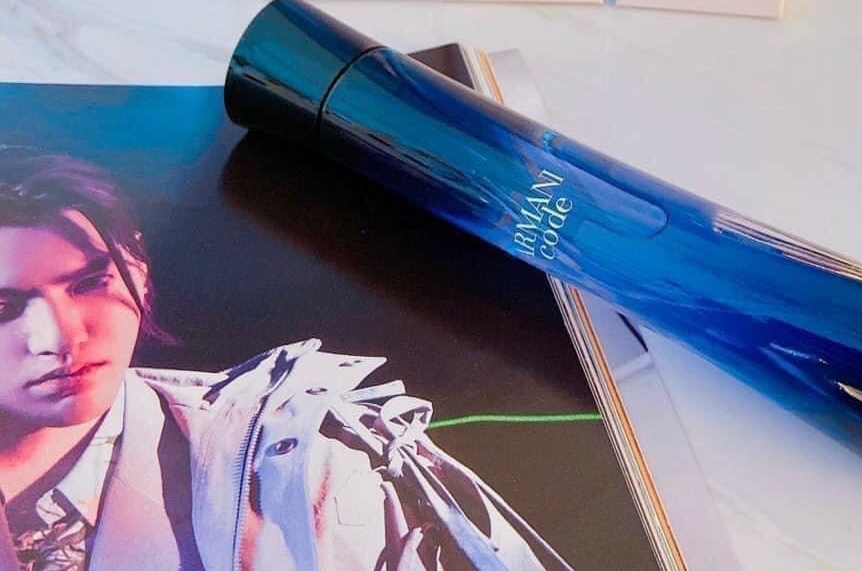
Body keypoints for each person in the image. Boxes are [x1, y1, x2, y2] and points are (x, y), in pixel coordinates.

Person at [0, 149, 574, 571]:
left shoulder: (293, 470)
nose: (61, 336)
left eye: (90, 283)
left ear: (139, 269)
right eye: (4, 307)